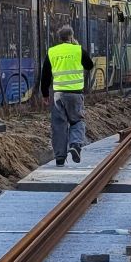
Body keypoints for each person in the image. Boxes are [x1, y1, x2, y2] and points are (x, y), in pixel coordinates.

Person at [40, 25, 94, 166]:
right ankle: (75, 145)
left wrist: (45, 94)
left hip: (58, 95)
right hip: (75, 94)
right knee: (77, 121)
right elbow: (90, 65)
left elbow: (45, 74)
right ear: (71, 36)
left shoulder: (52, 51)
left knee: (58, 126)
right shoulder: (77, 49)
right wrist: (78, 48)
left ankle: (60, 158)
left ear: (60, 38)